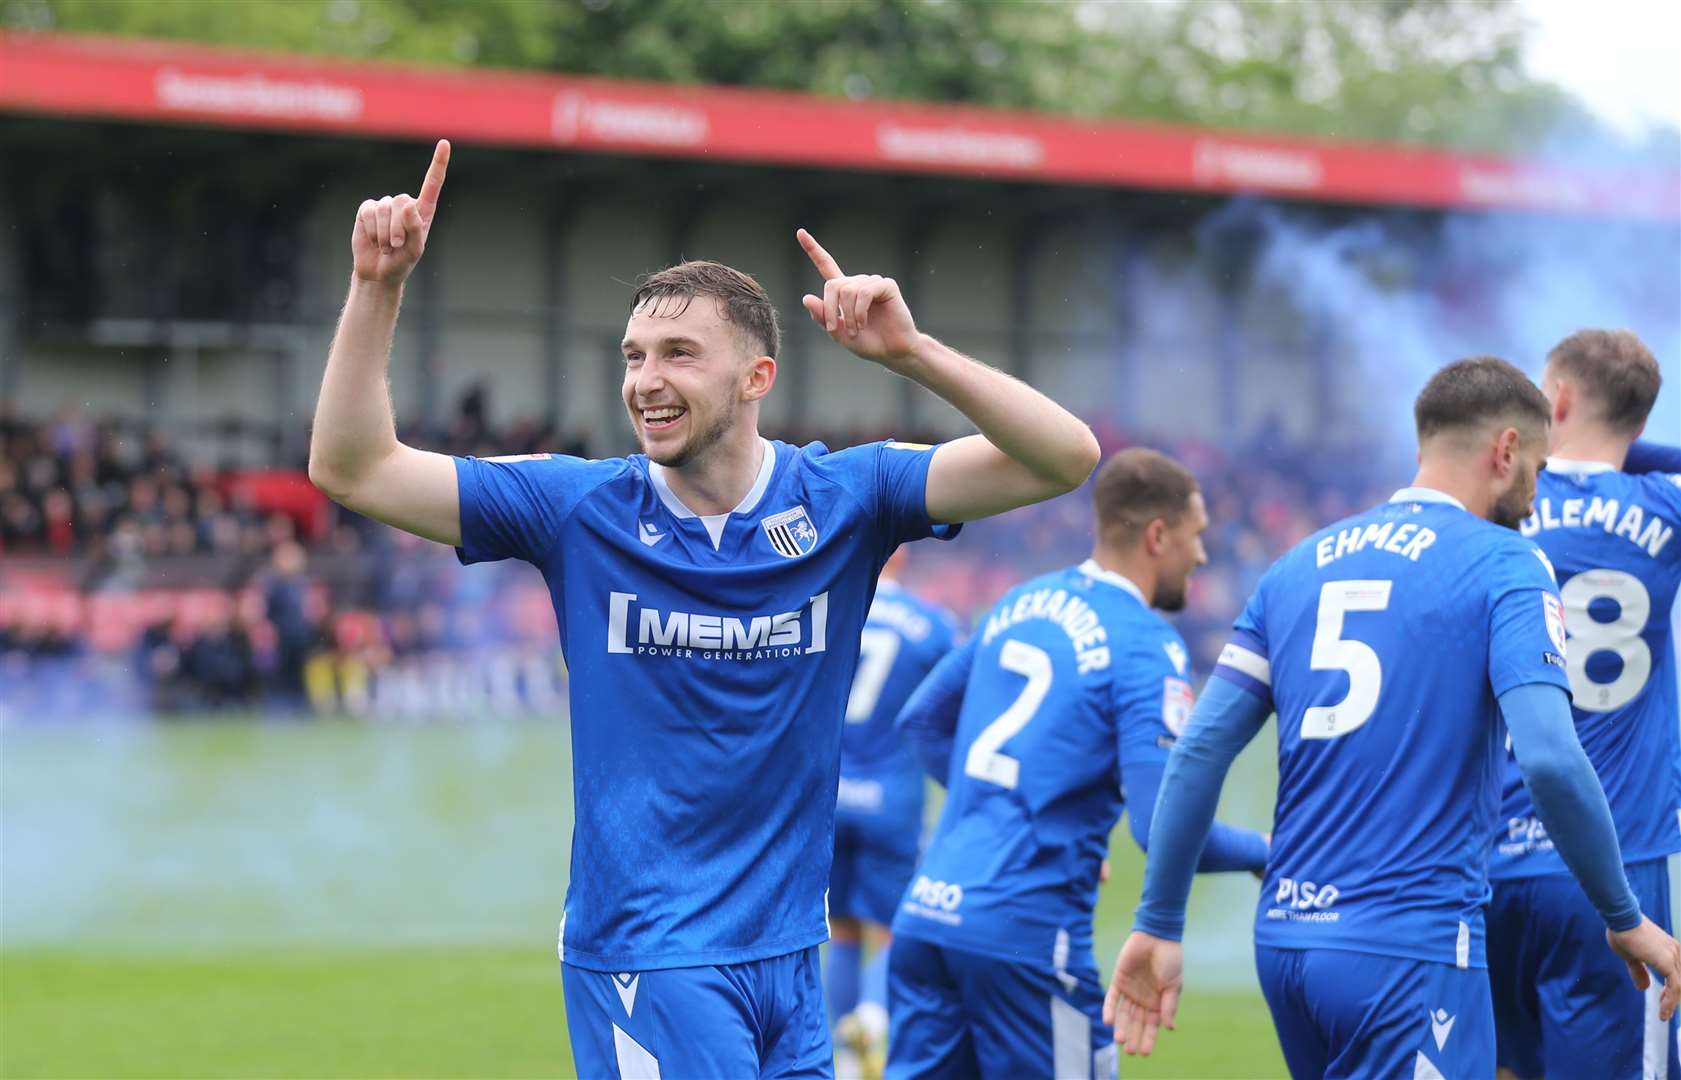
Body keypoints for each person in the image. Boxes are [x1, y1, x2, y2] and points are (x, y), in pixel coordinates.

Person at [306, 140, 1100, 1078]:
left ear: (755, 378)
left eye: (679, 354)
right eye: (634, 355)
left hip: (789, 962)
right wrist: (377, 286)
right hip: (650, 954)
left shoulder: (847, 498)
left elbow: (1064, 457)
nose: (645, 379)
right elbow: (352, 469)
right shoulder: (578, 509)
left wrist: (912, 354)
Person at [1109, 358, 1681, 1079]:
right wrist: (1623, 917)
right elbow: (1548, 758)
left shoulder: (1295, 566)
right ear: (1503, 452)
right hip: (1407, 950)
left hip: (1286, 948)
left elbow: (1196, 754)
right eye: (1535, 468)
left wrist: (1158, 921)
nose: (1537, 496)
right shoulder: (1505, 562)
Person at [885, 448, 1268, 1080]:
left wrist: (1006, 805)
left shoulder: (1019, 603)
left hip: (928, 916)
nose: (1201, 556)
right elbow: (1159, 824)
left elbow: (921, 721)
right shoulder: (1147, 645)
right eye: (1197, 537)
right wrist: (1262, 849)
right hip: (1025, 938)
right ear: (1157, 535)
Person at [1489, 330, 1681, 1080]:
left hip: (1485, 852)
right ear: (1638, 421)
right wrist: (1634, 442)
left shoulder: (1493, 505)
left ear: (1556, 400)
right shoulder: (1663, 507)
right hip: (1615, 858)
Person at [826, 547, 959, 1075]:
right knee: (891, 928)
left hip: (830, 794)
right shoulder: (930, 626)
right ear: (900, 553)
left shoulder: (833, 607)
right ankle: (876, 1019)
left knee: (840, 930)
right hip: (892, 798)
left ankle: (845, 1056)